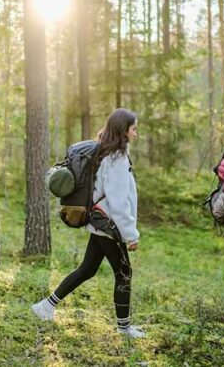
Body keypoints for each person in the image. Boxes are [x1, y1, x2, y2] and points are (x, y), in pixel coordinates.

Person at [32, 108, 145, 339]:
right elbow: (118, 201)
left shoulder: (106, 152)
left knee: (87, 269)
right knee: (124, 274)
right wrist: (131, 235)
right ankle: (124, 329)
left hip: (100, 223)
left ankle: (45, 306)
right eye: (134, 129)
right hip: (108, 225)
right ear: (124, 130)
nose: (136, 133)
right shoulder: (117, 159)